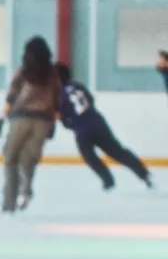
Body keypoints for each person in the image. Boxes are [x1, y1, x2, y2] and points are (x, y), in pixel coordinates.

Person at [55, 62, 152, 191]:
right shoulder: (77, 86)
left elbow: (60, 115)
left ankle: (108, 181)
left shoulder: (58, 94)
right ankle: (143, 173)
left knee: (90, 157)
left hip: (82, 131)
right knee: (118, 152)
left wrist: (67, 122)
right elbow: (90, 100)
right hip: (98, 123)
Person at [0, 37, 61, 213]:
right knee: (28, 159)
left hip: (21, 118)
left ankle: (8, 203)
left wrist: (2, 117)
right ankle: (25, 191)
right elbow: (57, 101)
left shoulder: (23, 71)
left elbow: (12, 94)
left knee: (11, 157)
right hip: (44, 121)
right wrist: (54, 122)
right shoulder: (53, 74)